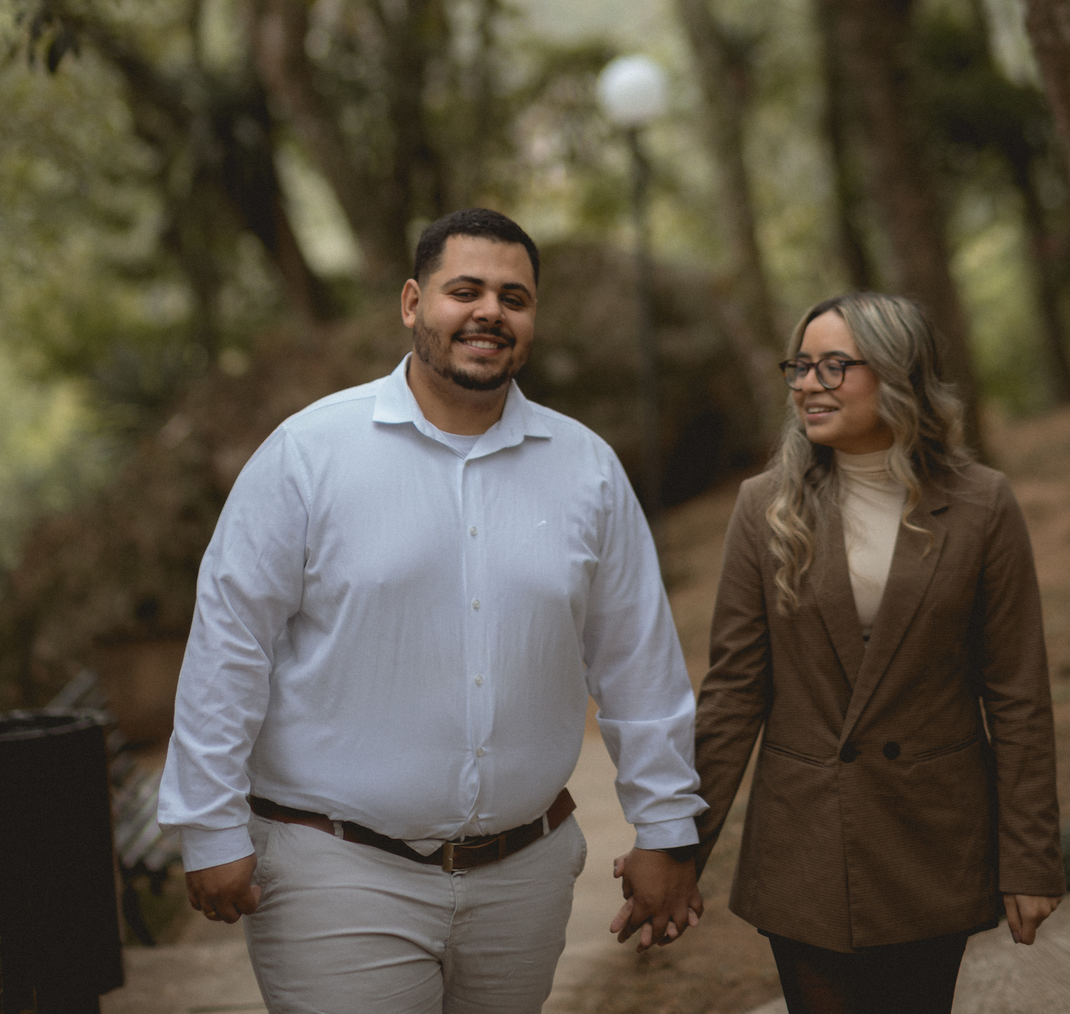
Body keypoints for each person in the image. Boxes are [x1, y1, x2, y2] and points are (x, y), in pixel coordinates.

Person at [159, 207, 705, 1014]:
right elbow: (230, 645)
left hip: (524, 877)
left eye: (514, 297)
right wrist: (207, 826)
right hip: (334, 870)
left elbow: (639, 663)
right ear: (414, 303)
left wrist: (666, 828)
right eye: (466, 290)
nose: (491, 311)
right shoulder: (310, 455)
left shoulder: (586, 469)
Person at [689, 291, 1064, 1014]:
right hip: (805, 844)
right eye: (800, 366)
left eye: (833, 367)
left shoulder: (984, 504)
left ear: (898, 375)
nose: (806, 384)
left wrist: (1031, 859)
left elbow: (1017, 695)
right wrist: (680, 850)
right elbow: (735, 692)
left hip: (934, 839)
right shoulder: (763, 505)